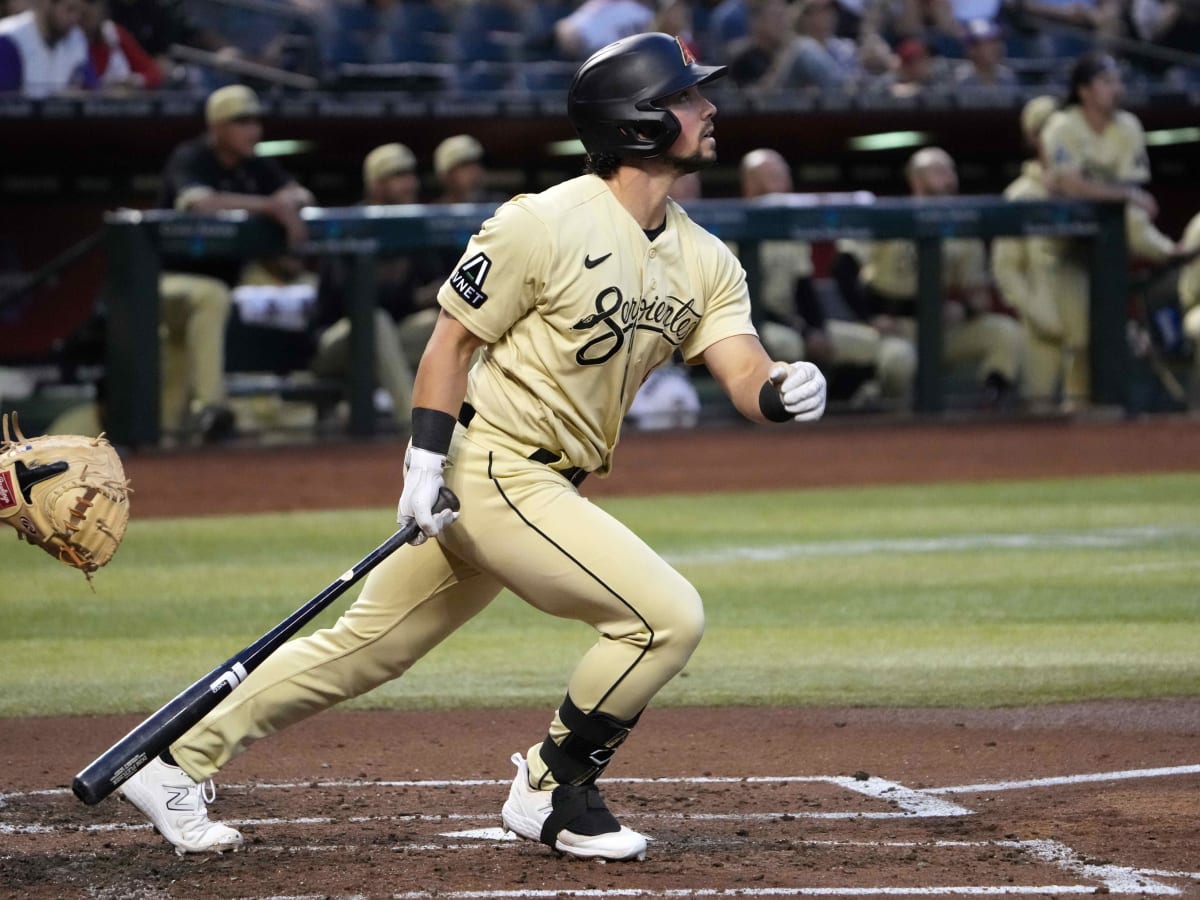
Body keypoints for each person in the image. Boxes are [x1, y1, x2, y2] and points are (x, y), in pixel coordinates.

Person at [113, 31, 827, 862]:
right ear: (637, 122)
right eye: (688, 97)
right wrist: (422, 464)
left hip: (539, 483)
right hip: (494, 469)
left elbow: (742, 369)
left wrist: (779, 390)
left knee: (366, 649)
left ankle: (173, 759)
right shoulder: (543, 221)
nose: (708, 109)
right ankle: (552, 786)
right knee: (664, 618)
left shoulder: (706, 258)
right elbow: (449, 342)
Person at [157, 83, 313, 442]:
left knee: (166, 407)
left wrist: (288, 199)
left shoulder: (255, 164)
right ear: (216, 127)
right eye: (240, 121)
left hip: (210, 293)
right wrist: (269, 206)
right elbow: (200, 203)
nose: (253, 130)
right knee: (211, 296)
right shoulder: (191, 157)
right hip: (162, 280)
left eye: (255, 121)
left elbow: (301, 192)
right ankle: (212, 406)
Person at [836, 146, 1022, 408]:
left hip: (937, 327)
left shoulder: (962, 226)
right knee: (899, 361)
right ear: (916, 179)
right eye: (939, 171)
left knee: (1006, 331)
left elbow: (979, 296)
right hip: (893, 325)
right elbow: (843, 267)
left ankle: (991, 402)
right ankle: (877, 400)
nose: (948, 178)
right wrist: (869, 316)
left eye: (951, 170)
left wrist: (965, 310)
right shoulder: (891, 217)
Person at [740, 147, 907, 406]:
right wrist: (806, 331)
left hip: (796, 325)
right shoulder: (732, 230)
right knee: (789, 347)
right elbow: (741, 305)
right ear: (750, 183)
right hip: (751, 328)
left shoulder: (789, 227)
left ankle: (852, 406)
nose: (784, 184)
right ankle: (779, 433)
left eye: (785, 176)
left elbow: (803, 288)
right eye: (773, 176)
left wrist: (817, 331)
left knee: (885, 349)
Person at [311, 142, 443, 432]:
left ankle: (472, 425)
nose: (409, 183)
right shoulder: (351, 224)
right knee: (375, 320)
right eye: (398, 176)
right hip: (338, 341)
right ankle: (414, 428)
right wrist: (410, 296)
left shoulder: (413, 224)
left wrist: (414, 296)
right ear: (376, 184)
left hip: (390, 340)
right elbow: (349, 301)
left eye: (410, 175)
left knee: (447, 324)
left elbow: (434, 286)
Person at [991, 95, 1089, 411]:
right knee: (1039, 412)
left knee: (1090, 415)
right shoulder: (1021, 195)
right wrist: (1037, 312)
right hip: (1040, 330)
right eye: (1048, 129)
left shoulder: (1089, 190)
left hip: (1085, 328)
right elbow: (1006, 269)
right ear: (1034, 138)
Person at [1040, 52, 1180, 269]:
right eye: (1107, 82)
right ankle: (1168, 253)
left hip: (1110, 213)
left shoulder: (1128, 125)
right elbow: (1071, 186)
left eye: (1118, 81)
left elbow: (1131, 183)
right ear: (1084, 91)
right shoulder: (1062, 125)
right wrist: (1125, 195)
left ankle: (1171, 257)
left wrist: (1118, 193)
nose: (1117, 89)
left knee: (1131, 215)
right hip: (1064, 219)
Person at [0, 0, 97, 97]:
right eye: (70, 9)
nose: (75, 18)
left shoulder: (76, 37)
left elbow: (92, 91)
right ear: (46, 3)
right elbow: (8, 102)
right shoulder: (8, 38)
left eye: (81, 13)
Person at [79, 0, 161, 89]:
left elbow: (154, 74)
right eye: (83, 14)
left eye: (93, 5)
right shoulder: (71, 41)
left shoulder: (114, 33)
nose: (89, 11)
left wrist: (134, 80)